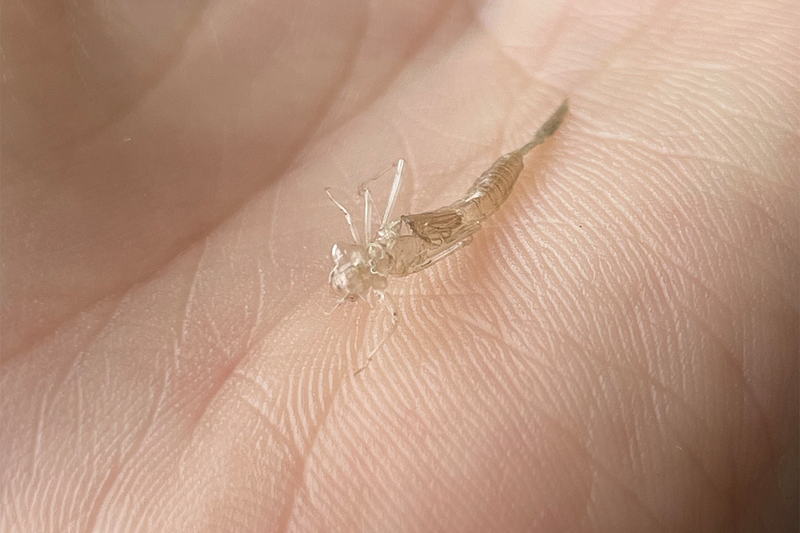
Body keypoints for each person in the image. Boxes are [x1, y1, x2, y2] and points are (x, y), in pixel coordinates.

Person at [1, 0, 796, 531]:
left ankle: (545, 135)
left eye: (347, 271)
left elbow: (381, 232)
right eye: (348, 274)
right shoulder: (378, 271)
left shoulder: (379, 259)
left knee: (493, 193)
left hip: (460, 220)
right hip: (442, 227)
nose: (343, 273)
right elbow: (378, 256)